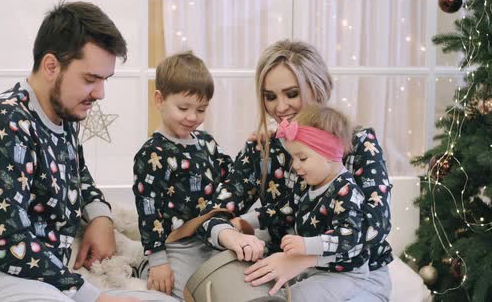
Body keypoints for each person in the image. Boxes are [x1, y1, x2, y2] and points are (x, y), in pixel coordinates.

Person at [0, 1, 176, 302]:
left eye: (104, 80)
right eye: (90, 79)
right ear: (52, 66)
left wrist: (100, 218)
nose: (100, 93)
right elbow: (4, 242)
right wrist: (94, 297)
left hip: (28, 276)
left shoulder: (62, 120)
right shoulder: (4, 124)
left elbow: (80, 177)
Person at [200, 40, 393, 301]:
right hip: (286, 273)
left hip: (359, 274)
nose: (280, 108)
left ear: (319, 87)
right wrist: (233, 237)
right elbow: (213, 214)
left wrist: (306, 257)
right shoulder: (263, 148)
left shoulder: (358, 143)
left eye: (291, 94)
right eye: (270, 97)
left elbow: (375, 226)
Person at [132, 52, 262, 300]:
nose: (193, 117)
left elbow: (231, 178)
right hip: (175, 243)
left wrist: (251, 150)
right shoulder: (152, 153)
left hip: (210, 236)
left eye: (201, 109)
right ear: (159, 99)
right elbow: (148, 209)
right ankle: (146, 265)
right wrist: (158, 259)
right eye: (183, 108)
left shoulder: (206, 142)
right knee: (182, 292)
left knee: (230, 286)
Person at [244, 105, 370, 301]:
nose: (295, 166)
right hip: (314, 268)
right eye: (293, 158)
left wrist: (306, 245)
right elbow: (284, 210)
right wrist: (245, 221)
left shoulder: (346, 191)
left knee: (293, 298)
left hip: (344, 274)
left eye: (302, 158)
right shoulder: (306, 184)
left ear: (329, 154)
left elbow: (348, 237)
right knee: (268, 289)